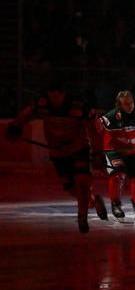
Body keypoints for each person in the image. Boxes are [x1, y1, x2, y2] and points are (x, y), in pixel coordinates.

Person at [5, 82, 108, 233]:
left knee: (83, 181)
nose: (54, 100)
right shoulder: (42, 103)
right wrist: (16, 126)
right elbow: (26, 114)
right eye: (51, 97)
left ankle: (82, 216)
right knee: (73, 190)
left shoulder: (79, 106)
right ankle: (93, 201)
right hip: (58, 153)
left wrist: (99, 152)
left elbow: (95, 127)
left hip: (79, 148)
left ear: (63, 94)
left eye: (56, 97)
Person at [99, 90, 135, 220]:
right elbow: (96, 128)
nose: (129, 106)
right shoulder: (111, 117)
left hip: (133, 151)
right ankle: (116, 205)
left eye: (130, 102)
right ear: (119, 105)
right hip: (114, 151)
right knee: (117, 175)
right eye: (125, 103)